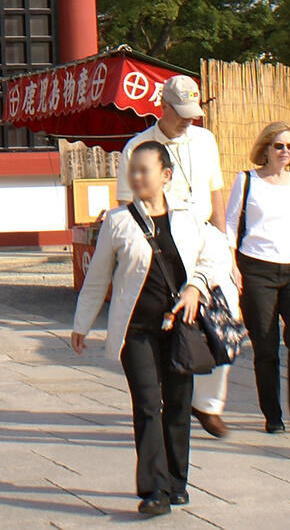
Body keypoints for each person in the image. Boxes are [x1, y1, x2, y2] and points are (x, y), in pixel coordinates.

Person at [70, 142, 231, 518]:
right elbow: (98, 277)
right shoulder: (117, 222)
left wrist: (197, 286)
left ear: (165, 176)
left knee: (177, 404)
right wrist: (82, 323)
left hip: (181, 327)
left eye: (145, 170)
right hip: (137, 330)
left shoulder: (189, 217)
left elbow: (216, 254)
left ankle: (177, 482)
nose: (137, 177)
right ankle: (154, 489)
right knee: (147, 405)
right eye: (133, 171)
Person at [109, 73, 232, 439]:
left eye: (192, 112)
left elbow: (217, 191)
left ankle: (207, 403)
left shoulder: (205, 139)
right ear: (162, 107)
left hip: (205, 238)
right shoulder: (138, 146)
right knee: (176, 323)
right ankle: (172, 391)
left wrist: (226, 243)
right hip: (164, 244)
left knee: (226, 317)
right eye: (180, 112)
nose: (187, 119)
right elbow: (124, 204)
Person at [225, 122, 290, 435]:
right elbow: (230, 224)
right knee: (266, 345)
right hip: (257, 268)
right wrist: (232, 264)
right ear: (266, 148)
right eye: (279, 145)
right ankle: (273, 415)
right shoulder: (246, 181)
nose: (285, 151)